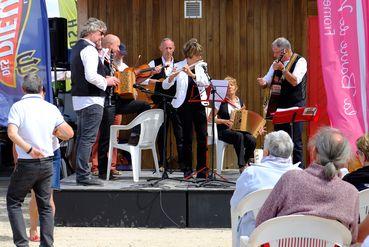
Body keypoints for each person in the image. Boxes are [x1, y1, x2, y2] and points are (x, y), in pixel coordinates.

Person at [256, 127, 359, 243]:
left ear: (313, 152)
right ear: (344, 159)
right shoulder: (351, 193)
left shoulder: (290, 179)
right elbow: (352, 240)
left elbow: (261, 223)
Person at [7, 73, 74, 247]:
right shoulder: (51, 108)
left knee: (14, 202)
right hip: (47, 162)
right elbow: (69, 133)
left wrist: (28, 148)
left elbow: (11, 134)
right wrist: (54, 132)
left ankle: (22, 243)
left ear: (23, 89)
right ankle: (46, 244)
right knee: (45, 205)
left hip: (27, 162)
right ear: (42, 89)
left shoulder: (18, 107)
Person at [70, 18, 119, 185]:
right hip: (91, 100)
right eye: (100, 33)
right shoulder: (89, 50)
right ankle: (83, 176)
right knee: (87, 139)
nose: (101, 37)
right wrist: (107, 82)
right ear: (92, 32)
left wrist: (103, 78)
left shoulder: (77, 48)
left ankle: (81, 173)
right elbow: (90, 76)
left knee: (83, 138)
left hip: (80, 99)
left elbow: (86, 74)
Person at [230, 130, 299, 246]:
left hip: (256, 238)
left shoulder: (251, 173)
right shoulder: (301, 175)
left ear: (266, 152)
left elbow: (235, 205)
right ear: (290, 154)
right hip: (290, 239)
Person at [97, 34, 151, 180]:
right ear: (110, 46)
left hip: (118, 101)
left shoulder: (113, 62)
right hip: (107, 102)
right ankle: (103, 170)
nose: (119, 48)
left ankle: (135, 136)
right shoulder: (100, 60)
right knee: (105, 136)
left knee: (145, 106)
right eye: (117, 45)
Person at [162, 38, 209, 178]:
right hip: (184, 107)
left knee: (202, 138)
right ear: (190, 55)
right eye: (197, 55)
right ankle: (187, 170)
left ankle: (202, 170)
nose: (200, 57)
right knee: (186, 139)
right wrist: (171, 77)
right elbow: (165, 85)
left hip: (200, 105)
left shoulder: (202, 66)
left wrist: (192, 74)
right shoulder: (178, 65)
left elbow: (206, 83)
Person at [257, 37, 307, 167]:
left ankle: (298, 170)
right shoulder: (275, 64)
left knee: (296, 141)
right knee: (279, 140)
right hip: (279, 106)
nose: (274, 55)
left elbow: (295, 81)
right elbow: (267, 81)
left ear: (285, 50)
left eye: (276, 52)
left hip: (296, 105)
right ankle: (279, 168)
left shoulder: (300, 61)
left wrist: (283, 70)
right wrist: (263, 82)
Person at [90, 43, 129, 176]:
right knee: (99, 136)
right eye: (119, 51)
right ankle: (95, 166)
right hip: (103, 103)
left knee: (114, 137)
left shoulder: (123, 67)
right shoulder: (101, 61)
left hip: (116, 103)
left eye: (122, 53)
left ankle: (112, 166)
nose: (120, 54)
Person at [145, 38, 183, 168]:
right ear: (161, 48)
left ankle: (182, 163)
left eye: (170, 48)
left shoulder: (179, 64)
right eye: (166, 48)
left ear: (174, 48)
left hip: (176, 102)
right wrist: (159, 82)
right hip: (160, 102)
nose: (168, 51)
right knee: (162, 133)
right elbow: (143, 81)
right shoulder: (153, 63)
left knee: (179, 132)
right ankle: (162, 163)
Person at [215, 76, 257, 173]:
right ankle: (241, 166)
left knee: (252, 140)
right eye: (227, 86)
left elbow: (244, 120)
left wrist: (255, 128)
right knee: (239, 136)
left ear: (236, 87)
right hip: (224, 131)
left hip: (239, 131)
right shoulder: (220, 101)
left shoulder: (240, 102)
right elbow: (210, 119)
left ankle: (245, 162)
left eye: (231, 85)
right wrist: (225, 121)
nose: (229, 87)